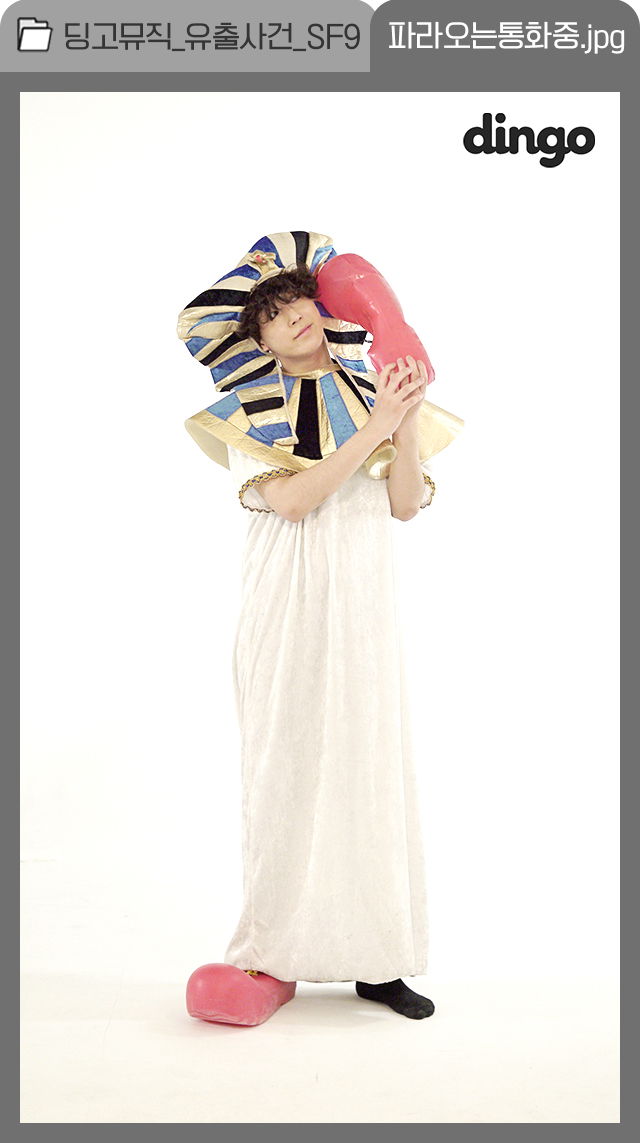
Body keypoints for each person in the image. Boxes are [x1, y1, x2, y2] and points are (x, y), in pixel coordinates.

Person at [177, 231, 456, 1021]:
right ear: (258, 339)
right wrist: (376, 426)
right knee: (287, 772)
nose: (293, 314)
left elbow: (405, 505)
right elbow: (295, 501)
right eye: (273, 313)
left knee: (371, 772)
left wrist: (403, 422)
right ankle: (270, 957)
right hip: (287, 603)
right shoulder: (248, 413)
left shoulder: (376, 389)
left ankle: (378, 959)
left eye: (300, 299)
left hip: (365, 605)